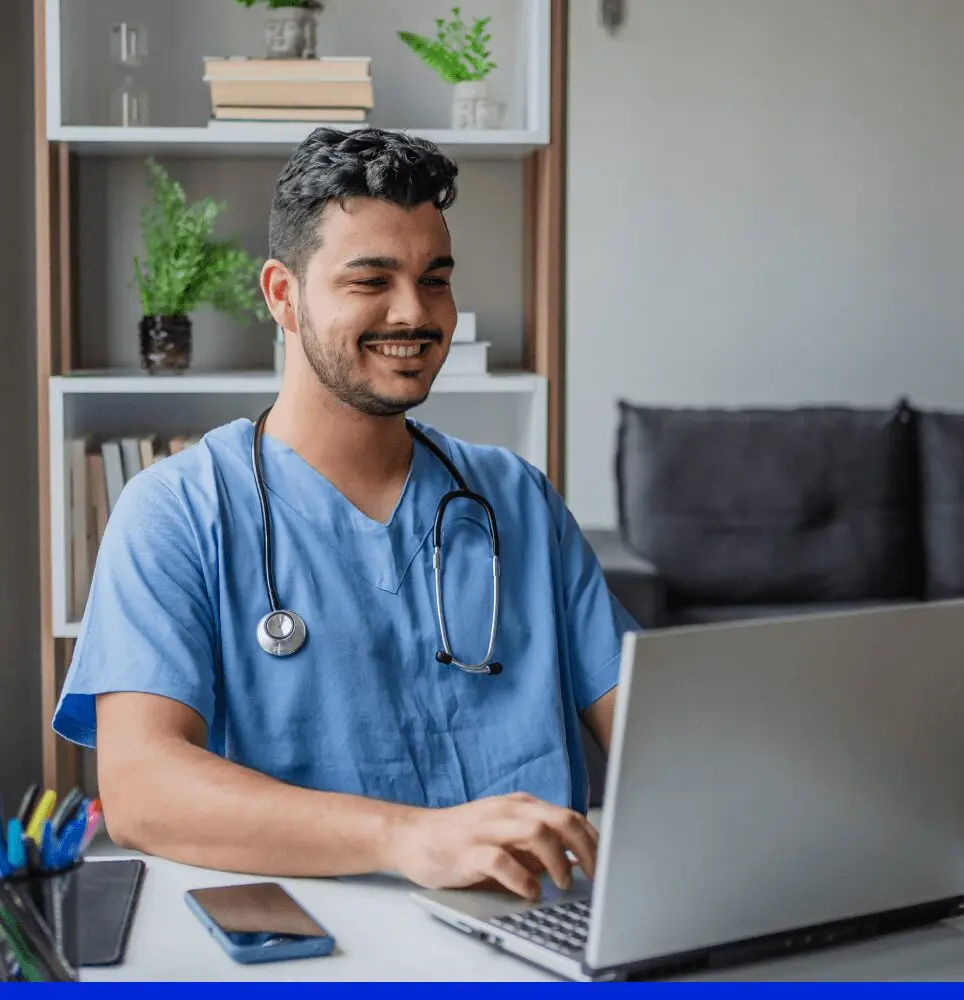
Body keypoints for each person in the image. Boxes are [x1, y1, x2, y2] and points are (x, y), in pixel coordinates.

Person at [52, 127, 638, 902]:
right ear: (283, 296)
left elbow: (654, 733)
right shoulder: (177, 511)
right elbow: (142, 790)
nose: (415, 313)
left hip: (534, 931)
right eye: (372, 281)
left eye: (436, 279)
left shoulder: (515, 499)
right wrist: (410, 838)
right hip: (315, 942)